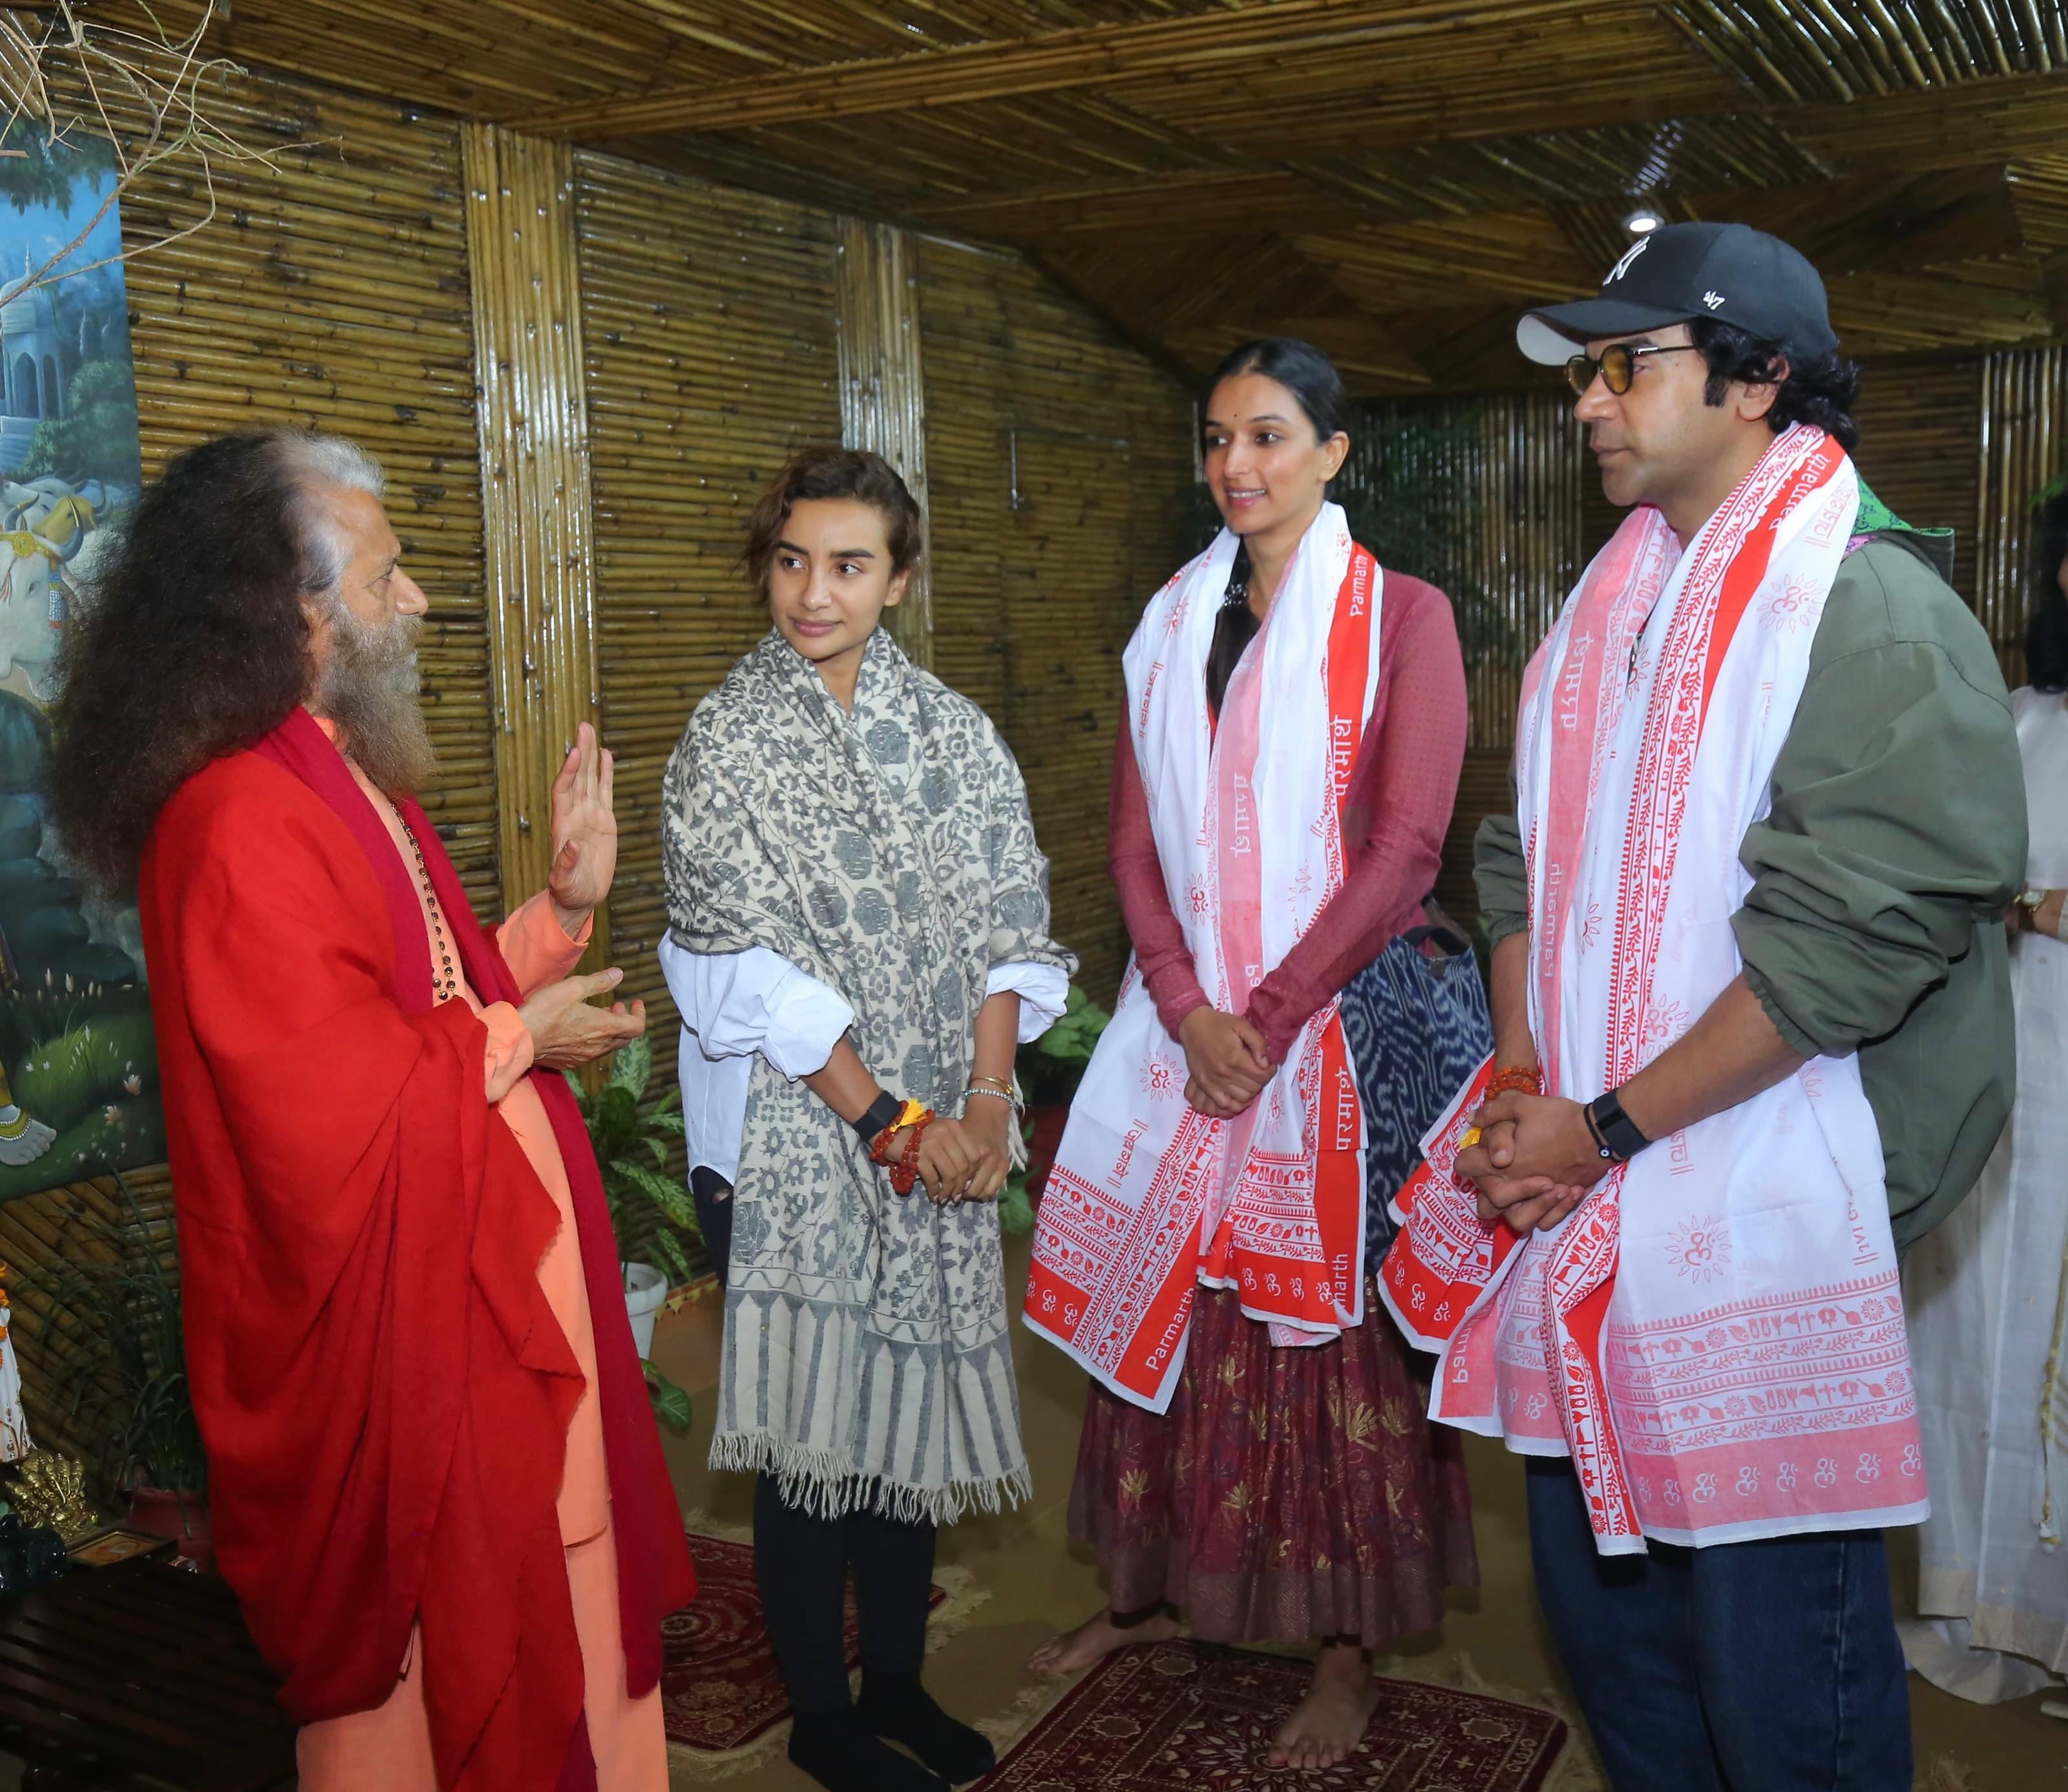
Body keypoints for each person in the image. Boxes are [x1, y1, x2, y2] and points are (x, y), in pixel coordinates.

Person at [1383, 222, 2027, 1791]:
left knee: (1782, 1692)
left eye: (1625, 366)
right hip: (1583, 1191)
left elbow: (1843, 952)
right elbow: (1517, 856)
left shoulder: (1864, 608)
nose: (1587, 404)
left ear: (1759, 381)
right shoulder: (1611, 610)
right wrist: (1531, 1084)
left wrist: (1593, 1129)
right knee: (1627, 1666)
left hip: (1753, 1215)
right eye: (1587, 373)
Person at [45, 430, 695, 1792]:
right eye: (389, 575)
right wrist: (525, 1034)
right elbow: (325, 1105)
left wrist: (562, 913)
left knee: (559, 1620)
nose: (417, 603)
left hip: (483, 1286)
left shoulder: (330, 767)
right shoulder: (239, 817)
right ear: (293, 611)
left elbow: (428, 995)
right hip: (415, 1334)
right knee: (449, 1672)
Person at [1025, 337, 1484, 1772]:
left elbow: (1407, 850)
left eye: (1271, 435)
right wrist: (1179, 1004)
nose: (1238, 465)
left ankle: (1343, 1652)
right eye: (1217, 438)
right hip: (1191, 1039)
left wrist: (1267, 1017)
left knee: (1328, 1353)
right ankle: (1151, 1594)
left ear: (1334, 452)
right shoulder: (1169, 626)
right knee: (1167, 1320)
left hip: (1333, 1038)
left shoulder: (1402, 616)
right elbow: (1128, 839)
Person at [660, 447, 1075, 1792]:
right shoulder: (725, 741)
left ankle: (897, 1681)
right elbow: (734, 967)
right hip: (785, 1140)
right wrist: (891, 1120)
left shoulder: (956, 735)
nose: (812, 592)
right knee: (811, 1441)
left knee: (903, 1421)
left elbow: (1012, 934)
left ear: (899, 579)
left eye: (847, 564)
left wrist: (986, 1103)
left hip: (943, 1130)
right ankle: (824, 1715)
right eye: (789, 560)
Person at [1903, 483, 2068, 1703]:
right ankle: (1973, 1603)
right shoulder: (2017, 724)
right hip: (2004, 1080)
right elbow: (1942, 879)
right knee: (1967, 1335)